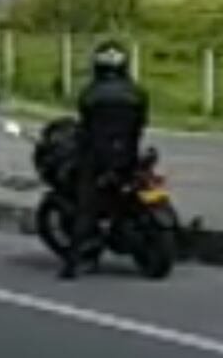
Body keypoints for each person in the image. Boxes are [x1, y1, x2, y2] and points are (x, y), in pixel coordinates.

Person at [63, 41, 150, 277]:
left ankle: (73, 261)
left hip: (98, 160)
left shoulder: (90, 94)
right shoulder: (137, 92)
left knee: (86, 205)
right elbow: (142, 123)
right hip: (130, 157)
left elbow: (85, 126)